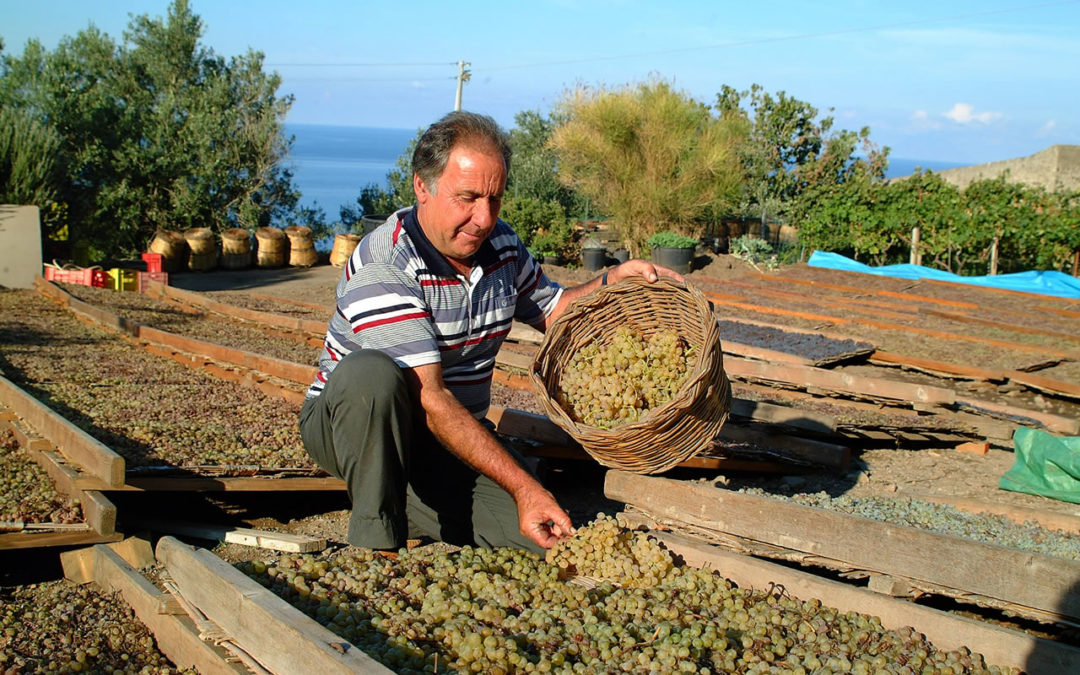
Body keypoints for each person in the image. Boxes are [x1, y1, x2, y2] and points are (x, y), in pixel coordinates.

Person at [299, 111, 682, 553]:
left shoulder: (500, 246)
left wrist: (610, 281)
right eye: (467, 197)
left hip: (447, 434)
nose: (483, 219)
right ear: (422, 187)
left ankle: (412, 499)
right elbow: (431, 398)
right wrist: (523, 487)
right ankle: (377, 536)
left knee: (544, 541)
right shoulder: (386, 264)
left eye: (494, 199)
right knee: (372, 375)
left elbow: (555, 309)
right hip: (357, 422)